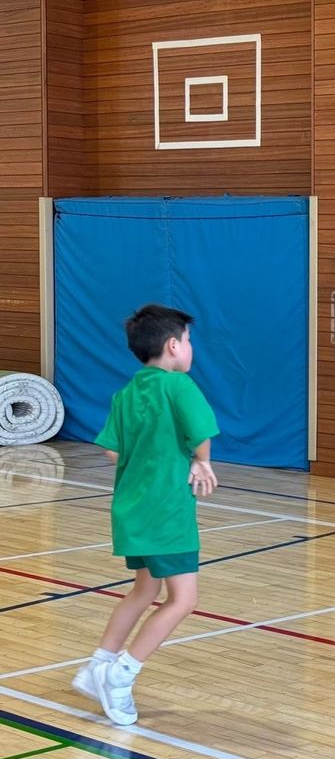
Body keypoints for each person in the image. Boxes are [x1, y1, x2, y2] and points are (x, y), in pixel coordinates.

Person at [72, 304, 220, 725]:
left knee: (144, 591)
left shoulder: (127, 392)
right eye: (189, 341)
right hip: (166, 511)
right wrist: (200, 461)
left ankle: (96, 665)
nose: (191, 349)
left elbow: (111, 449)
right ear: (174, 346)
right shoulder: (180, 387)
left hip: (130, 509)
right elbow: (203, 433)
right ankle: (121, 674)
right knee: (183, 600)